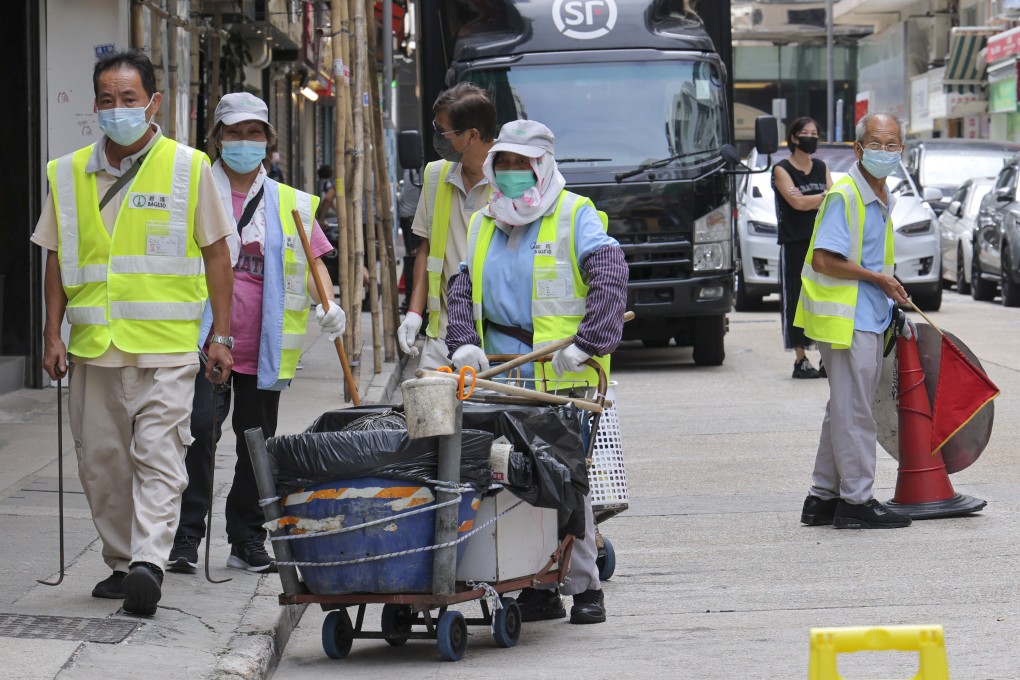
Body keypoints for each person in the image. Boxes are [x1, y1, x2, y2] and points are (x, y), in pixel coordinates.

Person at [32, 50, 235, 616]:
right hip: (94, 348)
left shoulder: (189, 166)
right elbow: (55, 258)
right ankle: (123, 564)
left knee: (159, 454)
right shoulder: (66, 172)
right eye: (107, 99)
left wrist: (222, 335)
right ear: (95, 103)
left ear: (154, 103)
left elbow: (217, 254)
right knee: (101, 463)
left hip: (166, 348)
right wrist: (52, 333)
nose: (117, 109)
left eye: (129, 99)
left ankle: (149, 561)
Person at [445, 119, 628, 623]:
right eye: (501, 164)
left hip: (563, 374)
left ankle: (585, 588)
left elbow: (611, 279)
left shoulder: (575, 215)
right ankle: (536, 585)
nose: (509, 175)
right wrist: (462, 344)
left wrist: (588, 345)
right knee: (510, 478)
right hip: (501, 374)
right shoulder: (483, 221)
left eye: (520, 166)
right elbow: (461, 291)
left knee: (567, 484)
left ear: (542, 167)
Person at [168, 92, 344, 574]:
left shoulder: (290, 202)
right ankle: (185, 535)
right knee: (198, 431)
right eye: (233, 133)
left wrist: (330, 305)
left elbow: (314, 263)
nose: (243, 142)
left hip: (265, 347)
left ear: (268, 140)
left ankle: (245, 536)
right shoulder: (193, 190)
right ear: (217, 139)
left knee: (257, 442)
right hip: (204, 339)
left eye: (253, 133)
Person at [795, 112, 913, 530]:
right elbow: (823, 258)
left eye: (893, 144)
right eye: (877, 143)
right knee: (856, 412)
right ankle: (857, 502)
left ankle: (822, 498)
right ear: (858, 148)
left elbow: (872, 259)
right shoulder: (845, 195)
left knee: (843, 409)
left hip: (868, 316)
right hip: (849, 321)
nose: (886, 152)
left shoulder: (880, 195)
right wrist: (878, 279)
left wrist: (887, 287)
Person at [395, 83, 496, 368]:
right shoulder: (436, 175)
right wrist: (414, 314)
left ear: (471, 136)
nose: (437, 138)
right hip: (441, 337)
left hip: (493, 339)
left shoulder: (511, 180)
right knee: (428, 412)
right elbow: (426, 251)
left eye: (443, 132)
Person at [772, 117, 832, 379]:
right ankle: (801, 359)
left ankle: (826, 357)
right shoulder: (781, 169)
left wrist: (813, 199)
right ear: (794, 138)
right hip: (794, 244)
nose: (811, 137)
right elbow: (797, 204)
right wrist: (823, 197)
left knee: (823, 298)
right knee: (796, 299)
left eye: (815, 132)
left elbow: (834, 200)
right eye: (805, 133)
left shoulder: (821, 166)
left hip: (822, 243)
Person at [396, 168, 422, 313]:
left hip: (415, 214)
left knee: (416, 256)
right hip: (411, 215)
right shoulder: (413, 165)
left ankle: (413, 300)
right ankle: (412, 300)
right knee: (414, 256)